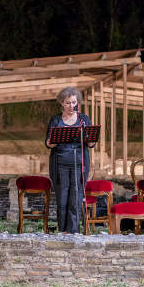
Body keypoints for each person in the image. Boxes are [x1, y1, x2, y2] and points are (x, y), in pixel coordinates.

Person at [45, 87, 92, 234]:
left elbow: (91, 144)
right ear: (62, 103)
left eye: (73, 102)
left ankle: (73, 229)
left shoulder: (84, 120)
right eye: (68, 103)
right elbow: (48, 143)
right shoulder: (56, 120)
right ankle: (63, 229)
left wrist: (90, 139)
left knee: (76, 196)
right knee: (62, 196)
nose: (71, 106)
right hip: (60, 164)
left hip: (79, 163)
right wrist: (55, 140)